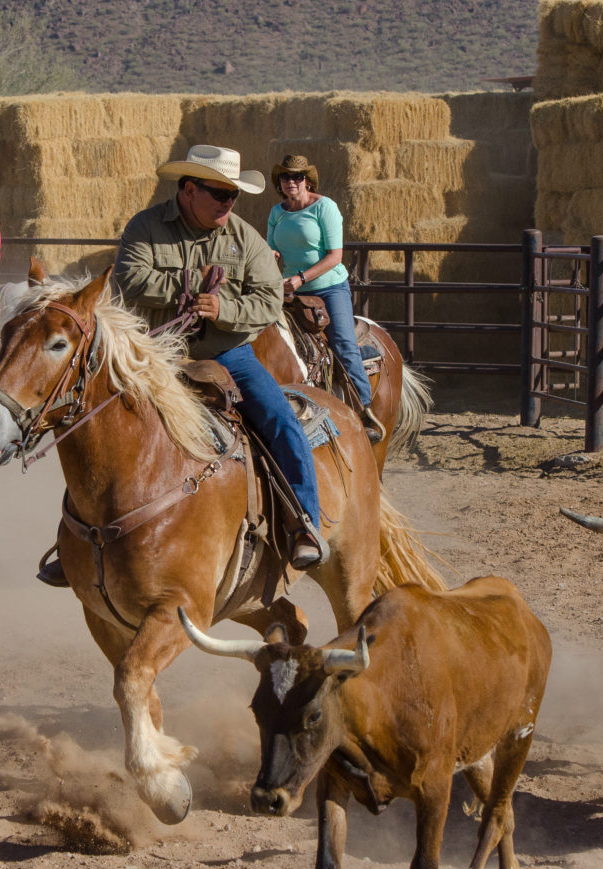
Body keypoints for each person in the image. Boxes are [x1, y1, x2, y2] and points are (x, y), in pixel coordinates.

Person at [35, 144, 326, 589]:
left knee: (280, 419)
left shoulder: (245, 238)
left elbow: (268, 300)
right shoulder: (146, 227)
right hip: (154, 353)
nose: (228, 203)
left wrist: (221, 307)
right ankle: (73, 537)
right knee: (99, 429)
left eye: (234, 196)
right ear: (189, 190)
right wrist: (186, 289)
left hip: (226, 354)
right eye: (219, 193)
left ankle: (303, 521)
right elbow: (131, 279)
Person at [266, 154, 384, 443]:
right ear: (279, 182)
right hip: (291, 290)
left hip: (327, 288)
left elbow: (335, 256)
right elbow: (272, 249)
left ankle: (364, 410)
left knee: (343, 343)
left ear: (307, 181)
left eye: (297, 177)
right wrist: (268, 261)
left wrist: (302, 277)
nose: (291, 182)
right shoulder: (276, 213)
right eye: (286, 177)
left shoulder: (324, 207)